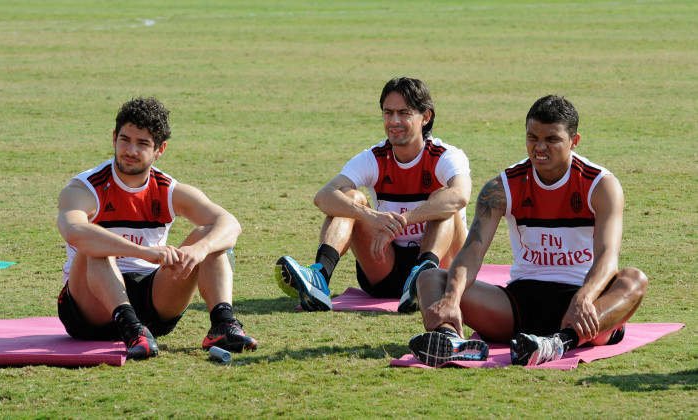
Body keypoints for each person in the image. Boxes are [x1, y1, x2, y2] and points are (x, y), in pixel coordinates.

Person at [407, 95, 648, 367]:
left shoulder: (601, 185)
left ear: (574, 141)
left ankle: (558, 344)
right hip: (520, 303)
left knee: (634, 280)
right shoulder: (501, 187)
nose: (540, 147)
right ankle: (450, 342)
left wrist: (583, 298)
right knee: (430, 279)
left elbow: (607, 257)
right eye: (532, 137)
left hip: (582, 303)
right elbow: (472, 252)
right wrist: (451, 299)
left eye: (552, 139)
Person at [56, 97, 257, 359]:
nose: (131, 150)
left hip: (152, 298)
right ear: (114, 137)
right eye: (125, 139)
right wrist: (143, 252)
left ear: (160, 149)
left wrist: (200, 249)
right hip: (89, 307)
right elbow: (73, 231)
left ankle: (222, 324)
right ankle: (129, 326)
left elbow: (230, 223)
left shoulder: (168, 189)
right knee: (96, 245)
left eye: (142, 144)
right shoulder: (85, 187)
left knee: (210, 235)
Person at [275, 77, 472, 312]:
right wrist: (370, 217)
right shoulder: (374, 157)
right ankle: (319, 277)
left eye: (404, 112)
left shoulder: (446, 155)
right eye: (388, 113)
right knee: (350, 198)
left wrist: (403, 220)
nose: (394, 121)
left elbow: (460, 196)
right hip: (385, 266)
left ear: (425, 117)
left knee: (444, 199)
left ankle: (423, 275)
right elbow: (323, 196)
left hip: (442, 268)